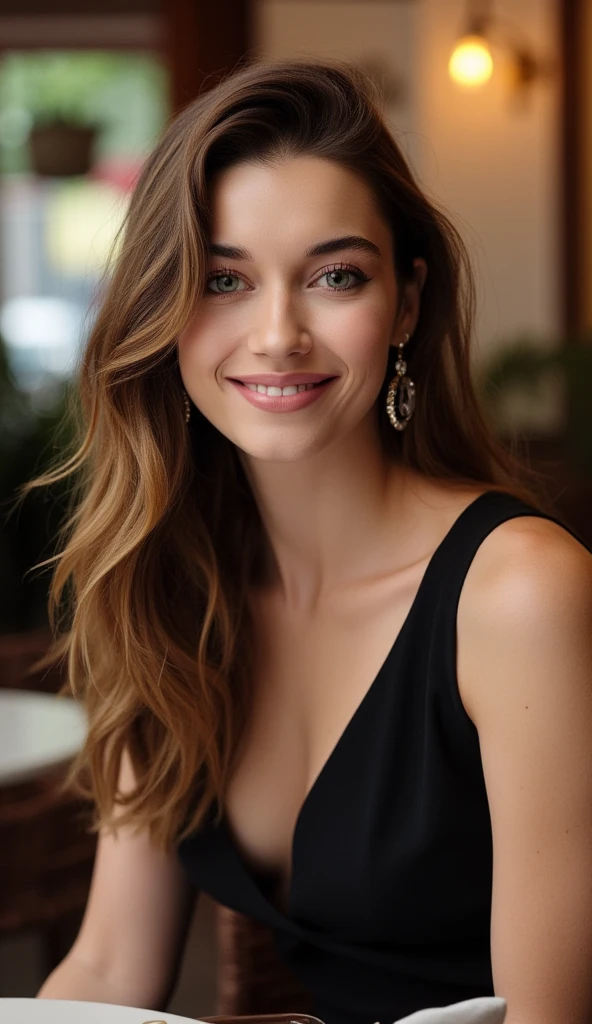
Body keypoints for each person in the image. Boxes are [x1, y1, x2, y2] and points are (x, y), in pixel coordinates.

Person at [34, 59, 592, 1024]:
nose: (279, 333)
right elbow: (111, 969)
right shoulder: (166, 586)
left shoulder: (519, 593)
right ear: (165, 310)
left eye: (335, 276)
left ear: (407, 304)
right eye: (224, 280)